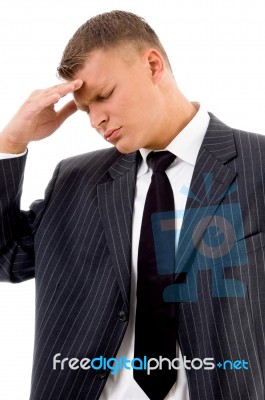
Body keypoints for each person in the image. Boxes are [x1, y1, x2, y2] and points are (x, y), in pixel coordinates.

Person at [0, 9, 264, 400]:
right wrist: (10, 144)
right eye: (87, 108)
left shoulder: (258, 163)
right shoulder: (75, 180)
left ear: (153, 65)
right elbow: (7, 258)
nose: (96, 120)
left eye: (104, 96)